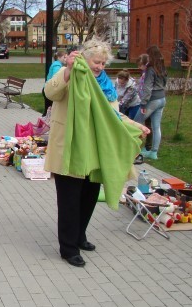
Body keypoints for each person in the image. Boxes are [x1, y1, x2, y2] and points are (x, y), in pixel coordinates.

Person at [44, 44, 150, 268]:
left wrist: (135, 125)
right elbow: (49, 92)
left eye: (103, 63)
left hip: (95, 150)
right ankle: (68, 248)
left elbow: (113, 115)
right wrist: (68, 71)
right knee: (69, 201)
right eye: (96, 62)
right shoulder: (70, 74)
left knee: (89, 197)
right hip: (71, 149)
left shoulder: (105, 86)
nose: (100, 67)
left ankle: (80, 235)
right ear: (85, 59)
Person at [136, 45, 167, 160]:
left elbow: (147, 88)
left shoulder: (150, 69)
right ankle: (154, 152)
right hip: (162, 99)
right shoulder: (162, 68)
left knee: (135, 122)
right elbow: (164, 82)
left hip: (152, 100)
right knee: (156, 126)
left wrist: (143, 103)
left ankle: (130, 148)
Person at [43, 50, 67, 115]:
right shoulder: (57, 66)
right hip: (50, 90)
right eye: (64, 57)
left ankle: (44, 122)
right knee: (49, 111)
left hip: (48, 88)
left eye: (66, 57)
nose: (66, 59)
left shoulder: (57, 64)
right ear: (58, 57)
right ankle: (45, 123)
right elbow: (57, 77)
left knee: (48, 110)